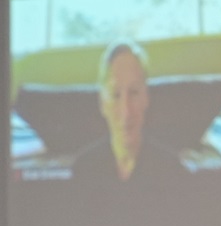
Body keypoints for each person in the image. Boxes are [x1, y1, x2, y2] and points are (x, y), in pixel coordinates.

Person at [71, 39, 182, 183]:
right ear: (103, 104)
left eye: (134, 93)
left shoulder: (173, 170)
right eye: (116, 95)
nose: (126, 111)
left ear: (146, 98)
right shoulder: (83, 170)